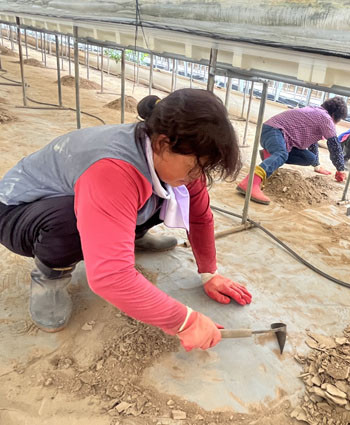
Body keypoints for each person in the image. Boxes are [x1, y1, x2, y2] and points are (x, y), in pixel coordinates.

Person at [0, 89, 252, 352]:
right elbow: (110, 276)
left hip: (86, 198)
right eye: (195, 166)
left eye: (204, 168)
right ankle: (50, 277)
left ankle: (129, 237)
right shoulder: (113, 170)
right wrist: (185, 322)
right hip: (17, 213)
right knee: (75, 216)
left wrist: (210, 274)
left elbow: (199, 217)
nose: (197, 175)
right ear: (163, 143)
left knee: (172, 192)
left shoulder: (169, 155)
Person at [236, 97, 349, 205]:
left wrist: (317, 166)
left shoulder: (315, 112)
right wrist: (340, 170)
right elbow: (335, 146)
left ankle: (269, 155)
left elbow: (312, 142)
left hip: (275, 134)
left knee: (310, 158)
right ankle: (250, 183)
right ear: (334, 116)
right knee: (281, 154)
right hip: (274, 131)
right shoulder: (325, 118)